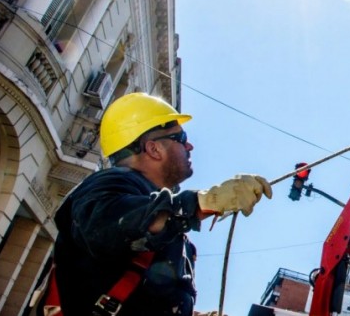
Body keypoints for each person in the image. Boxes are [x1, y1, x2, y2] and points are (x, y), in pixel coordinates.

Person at [52, 92, 272, 316]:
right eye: (181, 138)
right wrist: (203, 201)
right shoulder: (111, 183)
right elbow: (108, 224)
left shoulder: (161, 213)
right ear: (153, 149)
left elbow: (146, 299)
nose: (189, 146)